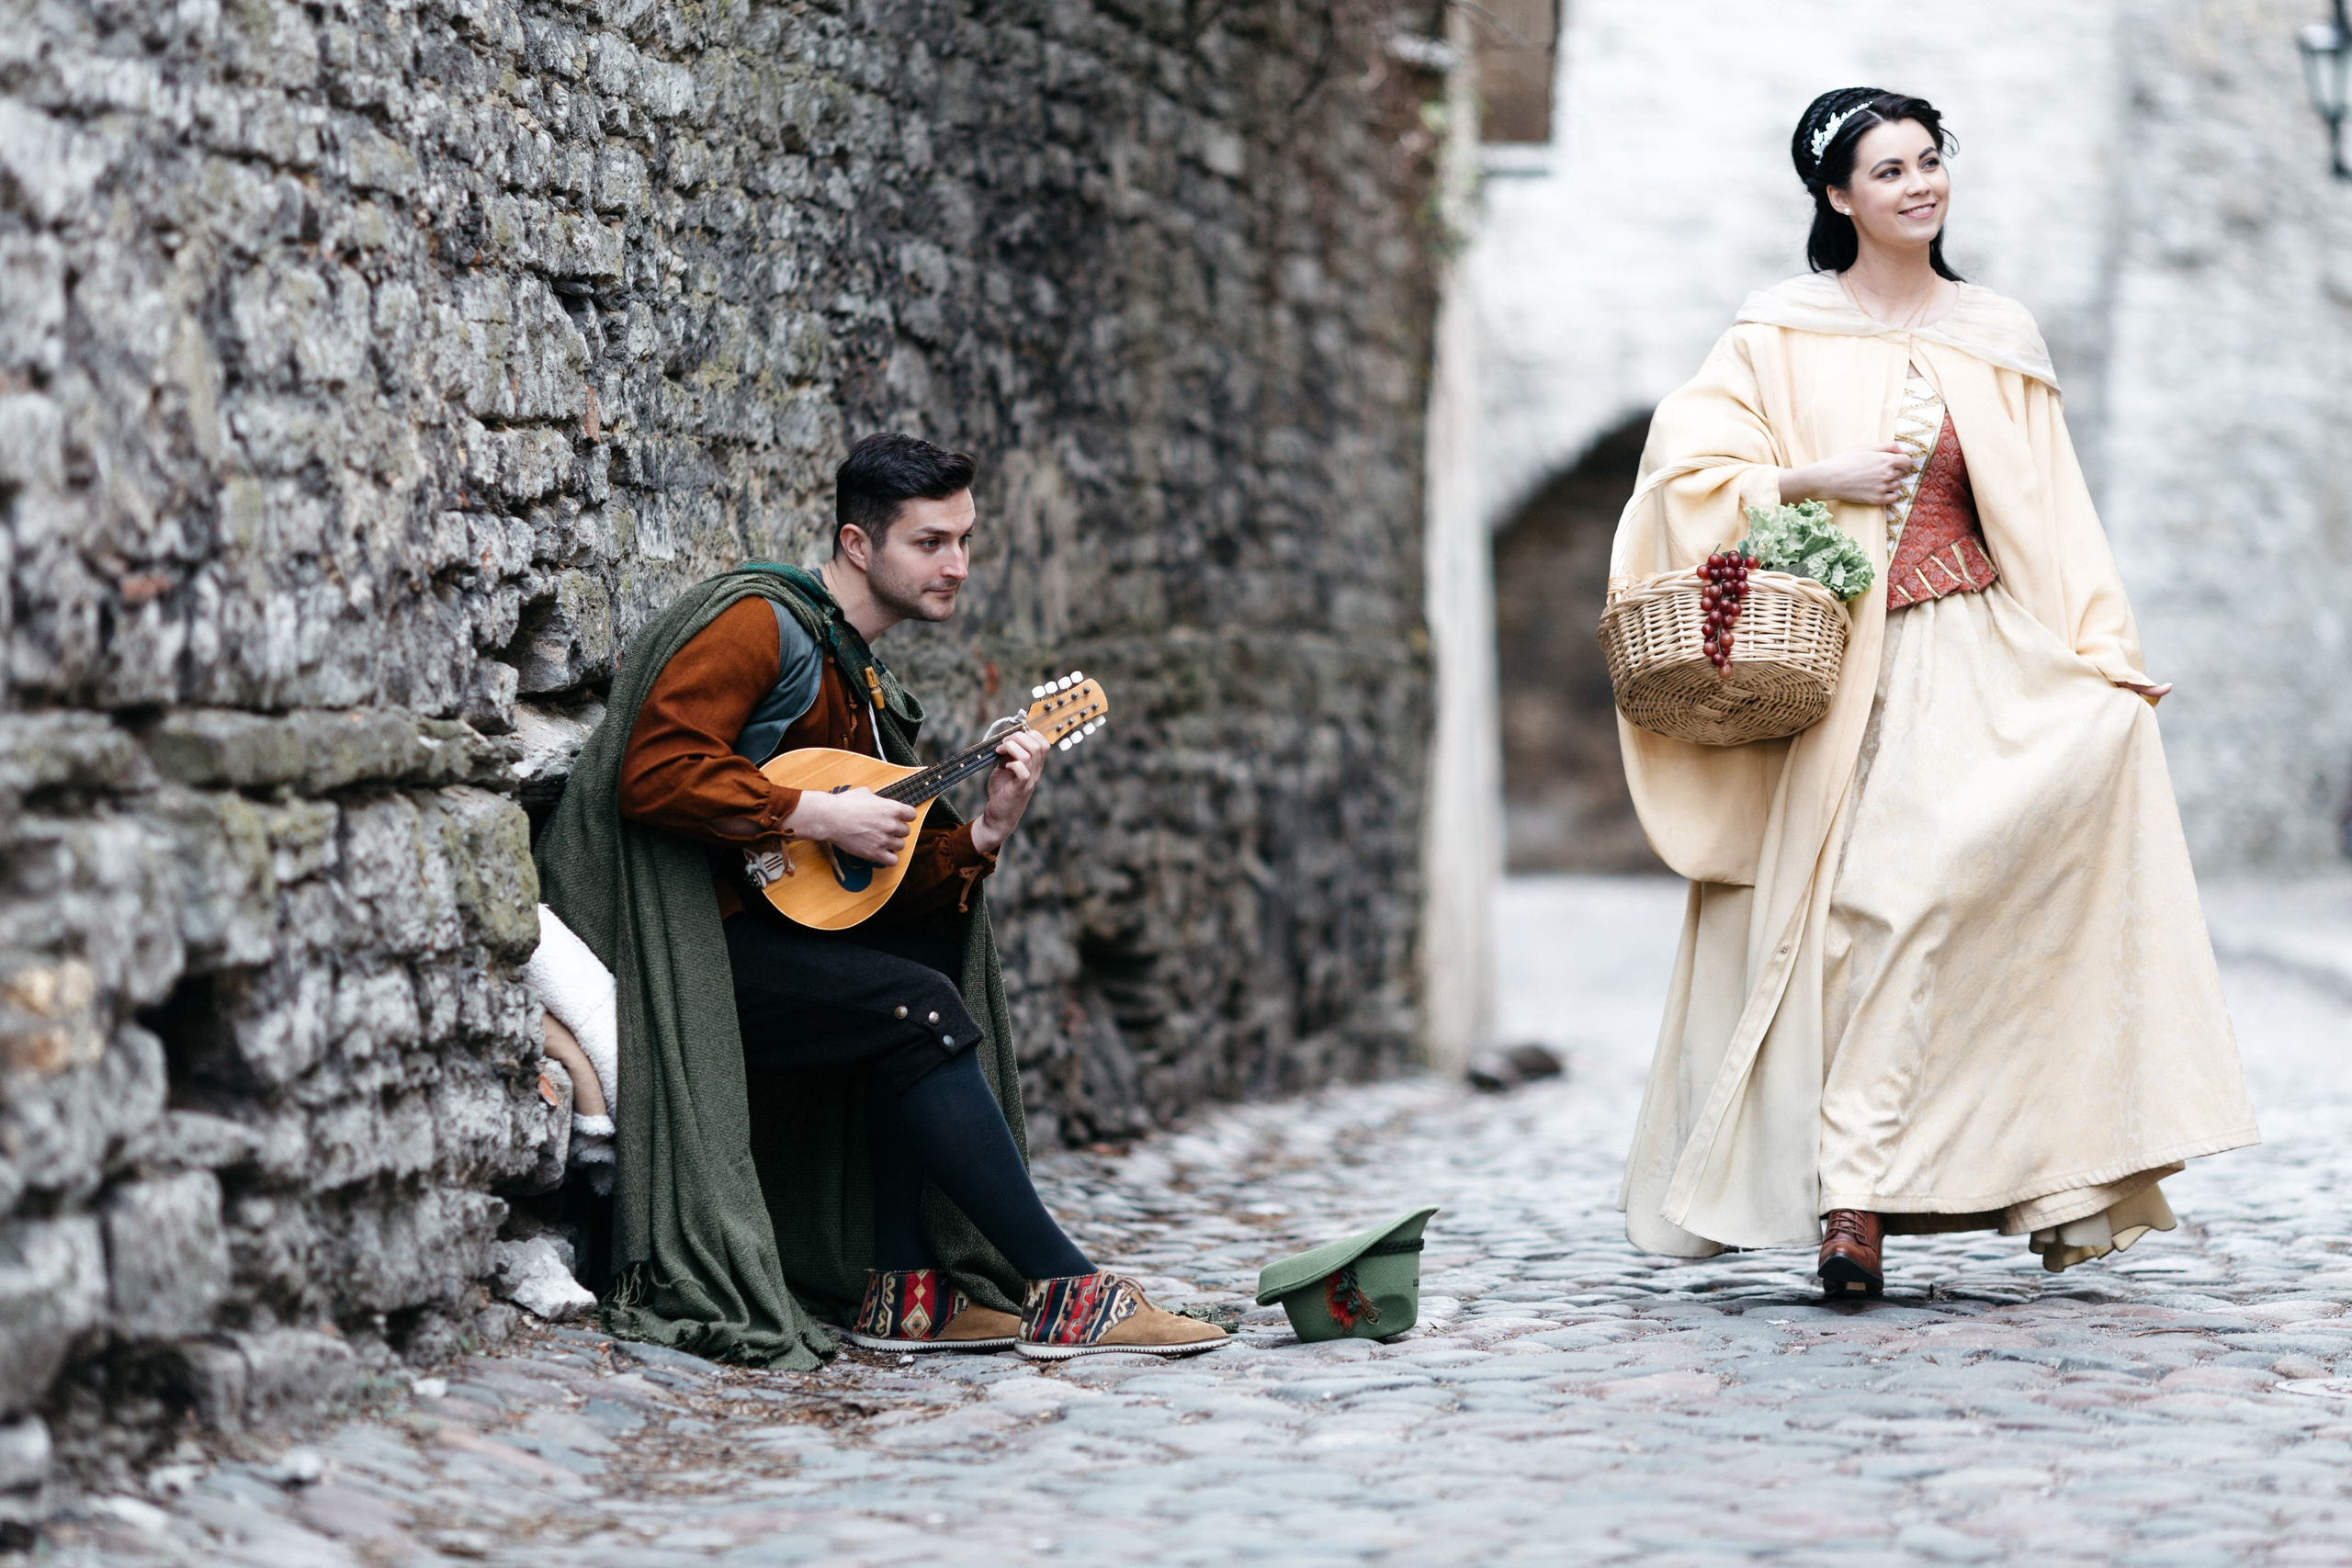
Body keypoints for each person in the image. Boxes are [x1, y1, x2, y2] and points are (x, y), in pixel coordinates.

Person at [1612, 88, 2258, 1298]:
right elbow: (1679, 478)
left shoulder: (1997, 332)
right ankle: (1849, 1203)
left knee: (1938, 902)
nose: (1920, 183)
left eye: (1930, 160)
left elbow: (2056, 516)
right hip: (1846, 675)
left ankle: (1945, 1177)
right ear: (1837, 196)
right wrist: (1811, 474)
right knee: (1866, 915)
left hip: (1986, 655)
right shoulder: (1775, 335)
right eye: (1889, 168)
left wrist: (2104, 652)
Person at [535, 432, 1225, 1362]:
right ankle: (1066, 1289)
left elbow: (868, 887)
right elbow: (653, 773)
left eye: (965, 540)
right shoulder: (758, 624)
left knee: (920, 965)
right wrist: (813, 813)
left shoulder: (856, 676)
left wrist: (985, 832)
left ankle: (907, 1290)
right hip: (684, 955)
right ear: (860, 546)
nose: (957, 566)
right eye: (930, 543)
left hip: (764, 942)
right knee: (917, 1010)